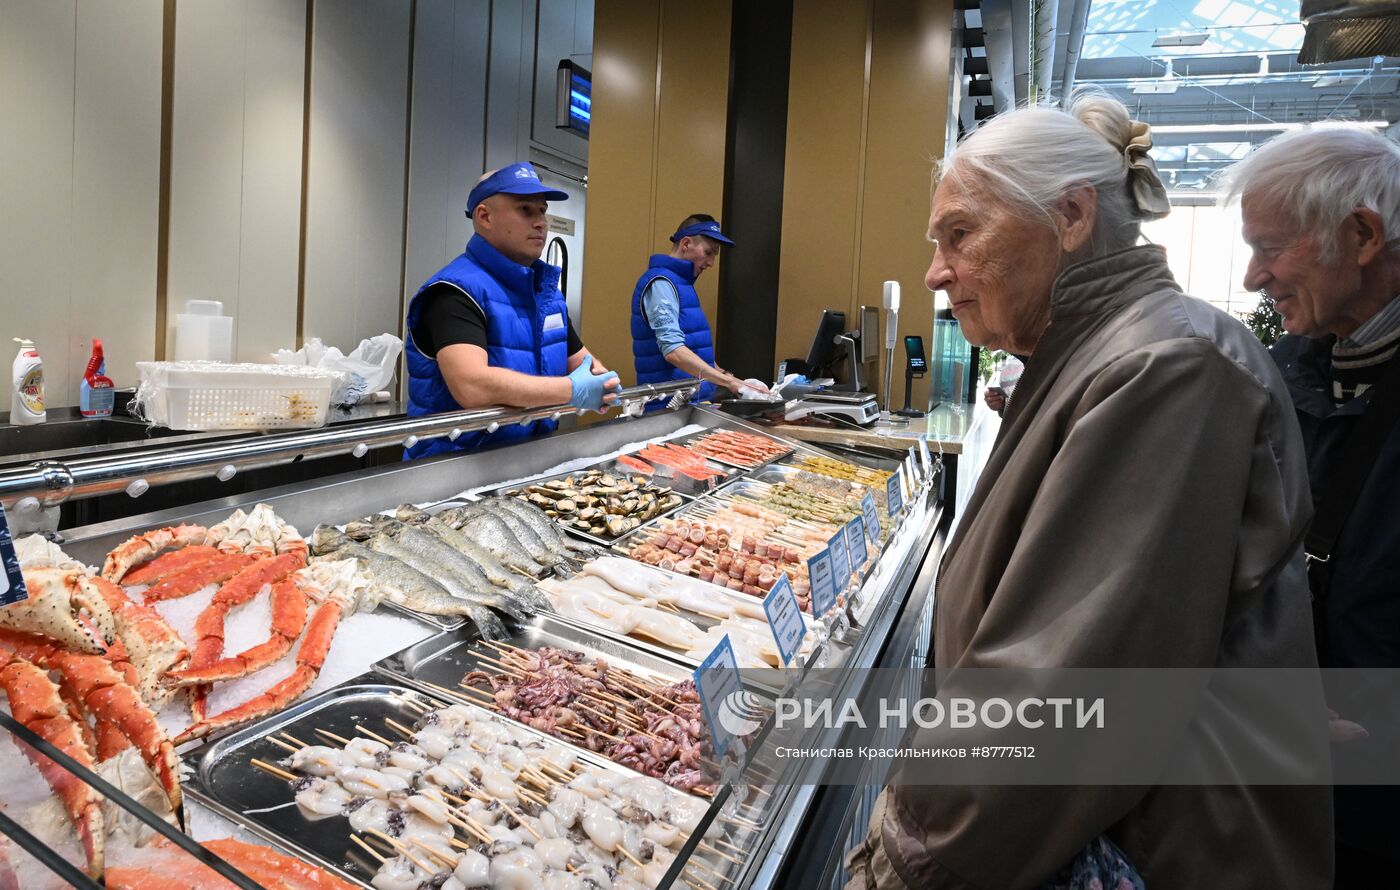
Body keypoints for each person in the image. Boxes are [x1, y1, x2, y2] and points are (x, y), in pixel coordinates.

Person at [844, 92, 1331, 888]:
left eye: (960, 235)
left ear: (1070, 216)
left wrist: (900, 860)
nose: (937, 272)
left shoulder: (1166, 368)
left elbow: (1052, 697)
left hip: (1147, 849)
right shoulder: (1090, 355)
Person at [1222, 125, 1400, 887]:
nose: (1254, 278)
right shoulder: (1289, 375)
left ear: (1362, 235)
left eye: (1271, 247)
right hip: (1288, 801)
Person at [404, 163, 619, 459]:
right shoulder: (454, 292)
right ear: (485, 216)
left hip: (525, 462)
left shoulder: (546, 294)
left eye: (542, 211)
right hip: (453, 470)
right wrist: (572, 390)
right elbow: (472, 386)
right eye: (525, 210)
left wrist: (602, 382)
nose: (541, 222)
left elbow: (587, 366)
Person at [630, 215, 764, 401]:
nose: (711, 263)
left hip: (693, 402)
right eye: (708, 253)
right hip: (667, 407)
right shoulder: (661, 283)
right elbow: (674, 351)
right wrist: (729, 383)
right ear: (686, 244)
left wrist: (737, 381)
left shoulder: (681, 284)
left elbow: (695, 350)